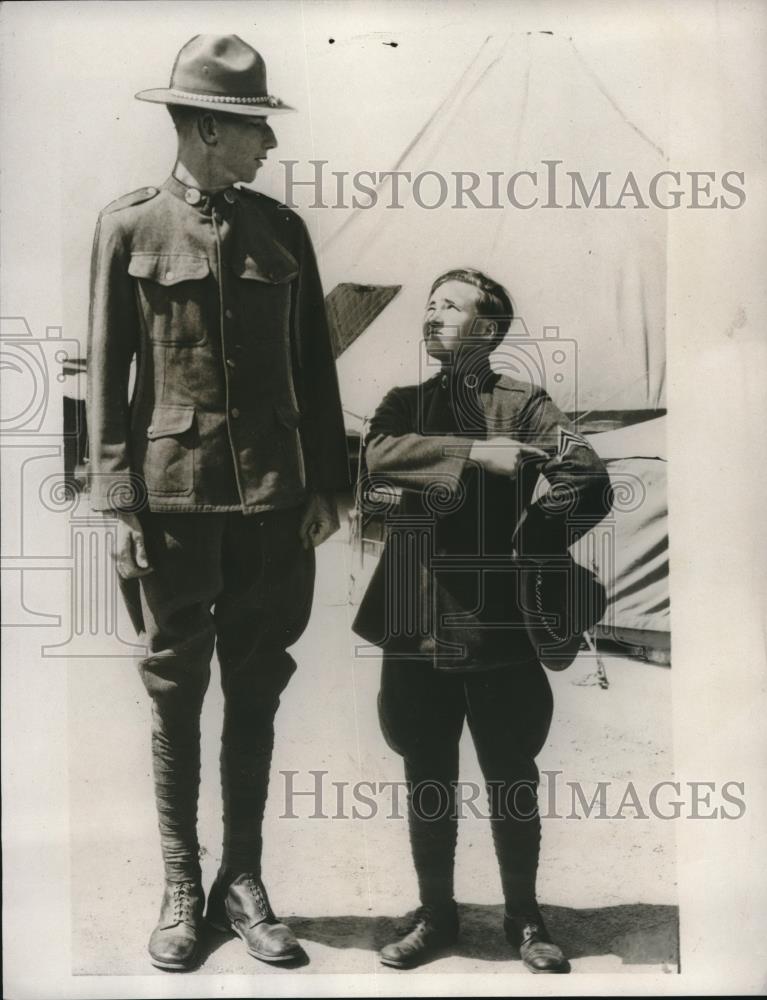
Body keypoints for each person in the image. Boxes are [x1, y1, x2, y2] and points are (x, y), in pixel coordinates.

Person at [86, 35, 348, 971]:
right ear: (205, 127)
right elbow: (110, 368)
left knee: (258, 683)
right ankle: (180, 882)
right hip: (174, 501)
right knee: (175, 690)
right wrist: (119, 503)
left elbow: (315, 369)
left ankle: (243, 879)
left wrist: (329, 485)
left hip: (277, 504)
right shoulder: (129, 228)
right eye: (253, 131)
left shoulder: (283, 231)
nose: (268, 149)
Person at [352, 268, 613, 973]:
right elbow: (373, 456)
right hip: (410, 611)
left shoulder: (525, 405)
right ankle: (435, 915)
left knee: (509, 772)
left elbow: (585, 475)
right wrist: (476, 455)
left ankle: (524, 919)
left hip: (494, 616)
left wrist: (533, 541)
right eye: (429, 304)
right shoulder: (403, 403)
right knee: (425, 768)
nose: (431, 314)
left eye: (450, 306)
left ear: (489, 330)